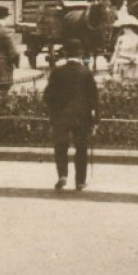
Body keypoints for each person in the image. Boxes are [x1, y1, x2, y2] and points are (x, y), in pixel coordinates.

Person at [43, 39, 99, 191]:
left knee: (60, 145)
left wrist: (53, 112)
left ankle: (62, 175)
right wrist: (96, 120)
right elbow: (94, 97)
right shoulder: (86, 72)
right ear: (80, 54)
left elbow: (47, 96)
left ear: (65, 54)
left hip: (61, 115)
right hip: (82, 116)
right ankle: (80, 181)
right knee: (81, 148)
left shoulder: (57, 72)